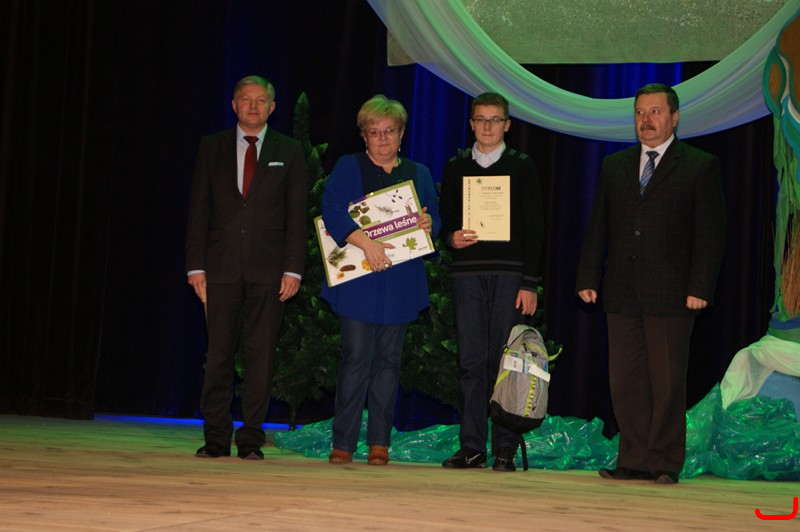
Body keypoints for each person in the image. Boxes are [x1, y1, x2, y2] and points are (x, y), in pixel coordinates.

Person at [576, 83, 726, 484]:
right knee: (625, 381)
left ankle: (663, 462)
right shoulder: (616, 165)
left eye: (655, 112)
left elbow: (710, 235)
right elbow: (598, 226)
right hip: (621, 289)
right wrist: (588, 275)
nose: (647, 120)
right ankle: (634, 458)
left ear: (674, 117)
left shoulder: (699, 166)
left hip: (673, 292)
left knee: (666, 381)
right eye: (640, 112)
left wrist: (700, 287)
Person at [185, 75, 308, 460]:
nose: (253, 106)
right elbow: (198, 209)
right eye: (246, 99)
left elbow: (296, 214)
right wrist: (195, 266)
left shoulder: (290, 150)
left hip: (270, 271)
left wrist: (293, 269)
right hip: (219, 269)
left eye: (260, 100)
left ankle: (252, 438)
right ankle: (215, 437)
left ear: (272, 107)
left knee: (261, 357)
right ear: (234, 105)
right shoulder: (211, 147)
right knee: (218, 356)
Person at [321, 95, 440, 466]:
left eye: (389, 131)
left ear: (401, 134)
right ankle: (343, 442)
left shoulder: (419, 172)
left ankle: (379, 443)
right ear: (364, 136)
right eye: (374, 132)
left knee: (389, 363)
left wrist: (429, 224)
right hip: (358, 281)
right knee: (355, 360)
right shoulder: (349, 166)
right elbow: (332, 210)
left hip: (401, 282)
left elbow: (434, 221)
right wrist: (368, 245)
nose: (383, 138)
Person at [438, 92, 544, 472]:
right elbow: (446, 220)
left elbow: (534, 227)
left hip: (510, 276)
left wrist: (529, 282)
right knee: (471, 362)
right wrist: (451, 238)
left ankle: (505, 447)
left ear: (507, 125)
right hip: (467, 275)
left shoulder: (522, 166)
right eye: (480, 119)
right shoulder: (456, 167)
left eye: (494, 119)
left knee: (508, 362)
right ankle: (471, 445)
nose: (487, 126)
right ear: (471, 124)